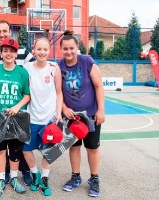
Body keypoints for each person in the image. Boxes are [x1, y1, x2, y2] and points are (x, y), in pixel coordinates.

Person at [0, 20, 35, 185]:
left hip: (18, 113)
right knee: (1, 149)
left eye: (4, 31)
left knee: (18, 148)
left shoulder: (23, 57)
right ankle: (4, 176)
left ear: (10, 31)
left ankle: (23, 172)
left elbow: (34, 72)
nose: (1, 34)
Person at [57, 30, 105, 197]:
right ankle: (75, 176)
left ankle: (94, 178)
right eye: (65, 49)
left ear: (77, 47)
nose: (69, 51)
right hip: (72, 117)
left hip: (91, 114)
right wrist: (63, 108)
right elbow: (57, 92)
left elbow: (99, 86)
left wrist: (101, 110)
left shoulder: (87, 61)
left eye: (72, 48)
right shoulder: (58, 66)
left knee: (92, 148)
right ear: (61, 49)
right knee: (74, 147)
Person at [0, 38, 31, 197]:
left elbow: (27, 95)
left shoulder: (22, 72)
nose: (8, 53)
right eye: (5, 50)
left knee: (15, 151)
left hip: (17, 119)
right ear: (1, 53)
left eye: (12, 51)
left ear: (16, 54)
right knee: (0, 150)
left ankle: (13, 178)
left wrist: (17, 106)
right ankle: (0, 180)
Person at [22, 37, 63, 196]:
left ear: (49, 51)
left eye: (45, 49)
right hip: (31, 118)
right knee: (26, 149)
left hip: (49, 120)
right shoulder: (26, 68)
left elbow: (59, 93)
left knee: (48, 152)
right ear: (34, 50)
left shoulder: (54, 68)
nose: (42, 52)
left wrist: (58, 112)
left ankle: (44, 179)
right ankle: (35, 174)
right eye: (39, 49)